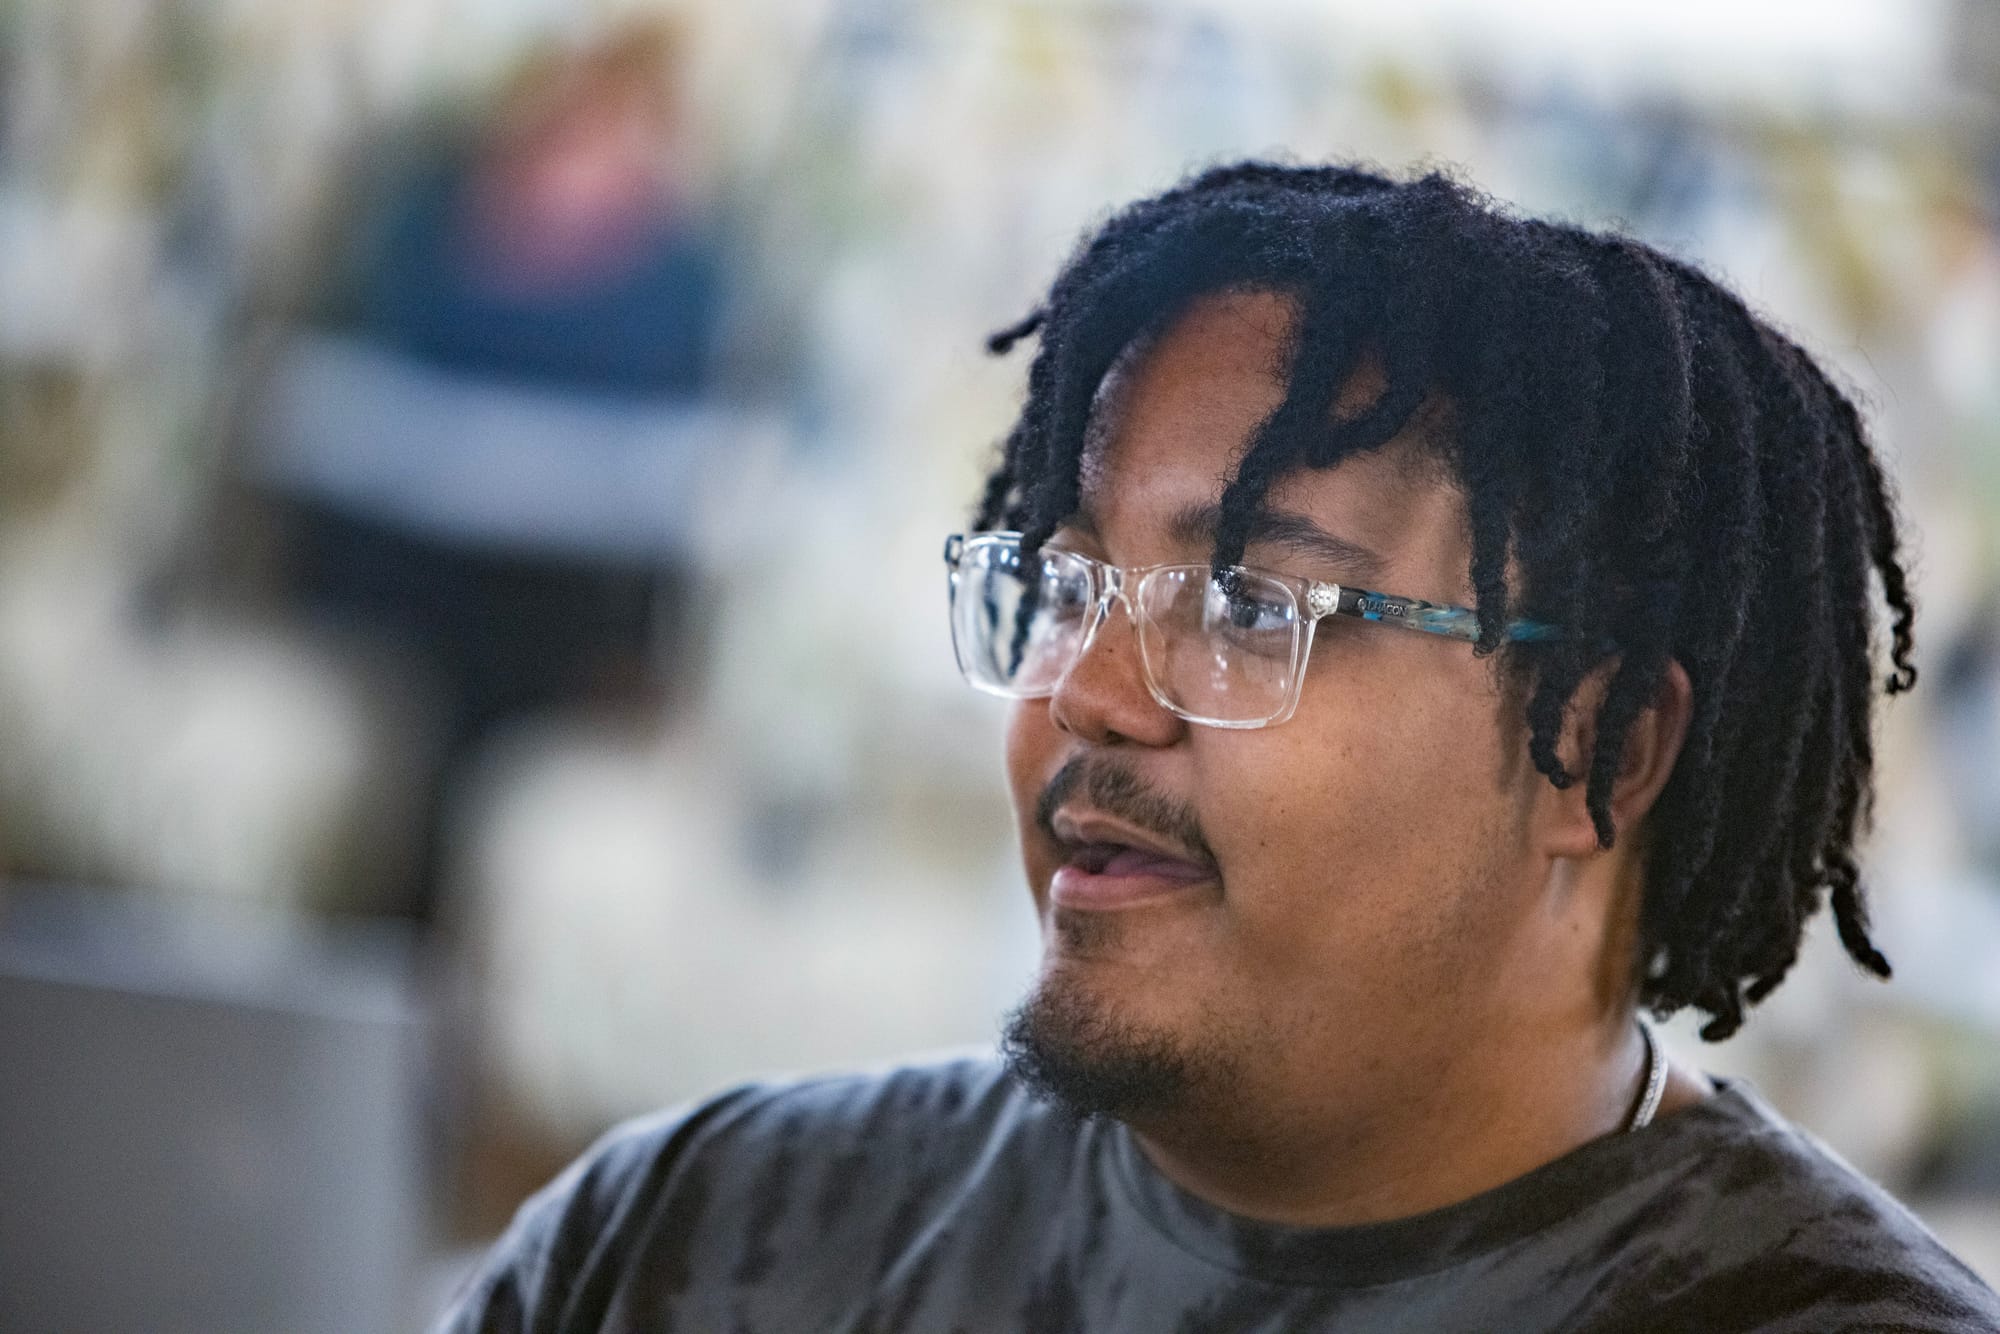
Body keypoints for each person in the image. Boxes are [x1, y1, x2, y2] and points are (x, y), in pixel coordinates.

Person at [434, 163, 2000, 1331]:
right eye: (1065, 582)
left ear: (1598, 740)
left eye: (1250, 603)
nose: (1093, 694)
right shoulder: (693, 1244)